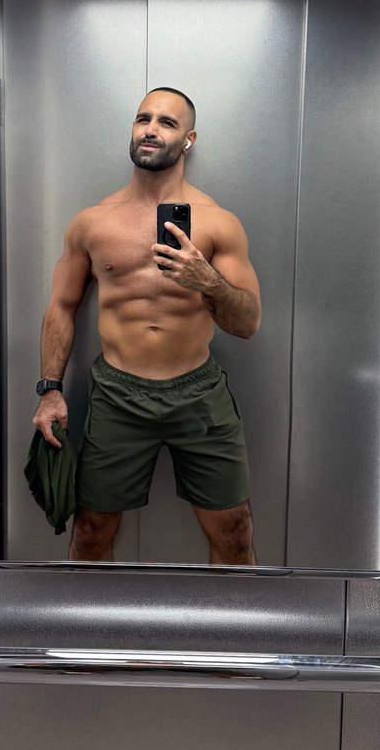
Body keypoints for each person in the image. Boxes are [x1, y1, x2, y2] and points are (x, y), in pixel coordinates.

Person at [32, 87, 261, 564]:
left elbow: (248, 323)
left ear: (189, 139)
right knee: (90, 530)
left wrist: (206, 281)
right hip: (118, 393)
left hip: (198, 392)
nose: (151, 130)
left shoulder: (218, 223)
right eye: (143, 119)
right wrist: (50, 390)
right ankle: (93, 617)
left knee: (235, 528)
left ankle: (232, 617)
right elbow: (61, 307)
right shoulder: (93, 222)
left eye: (167, 122)